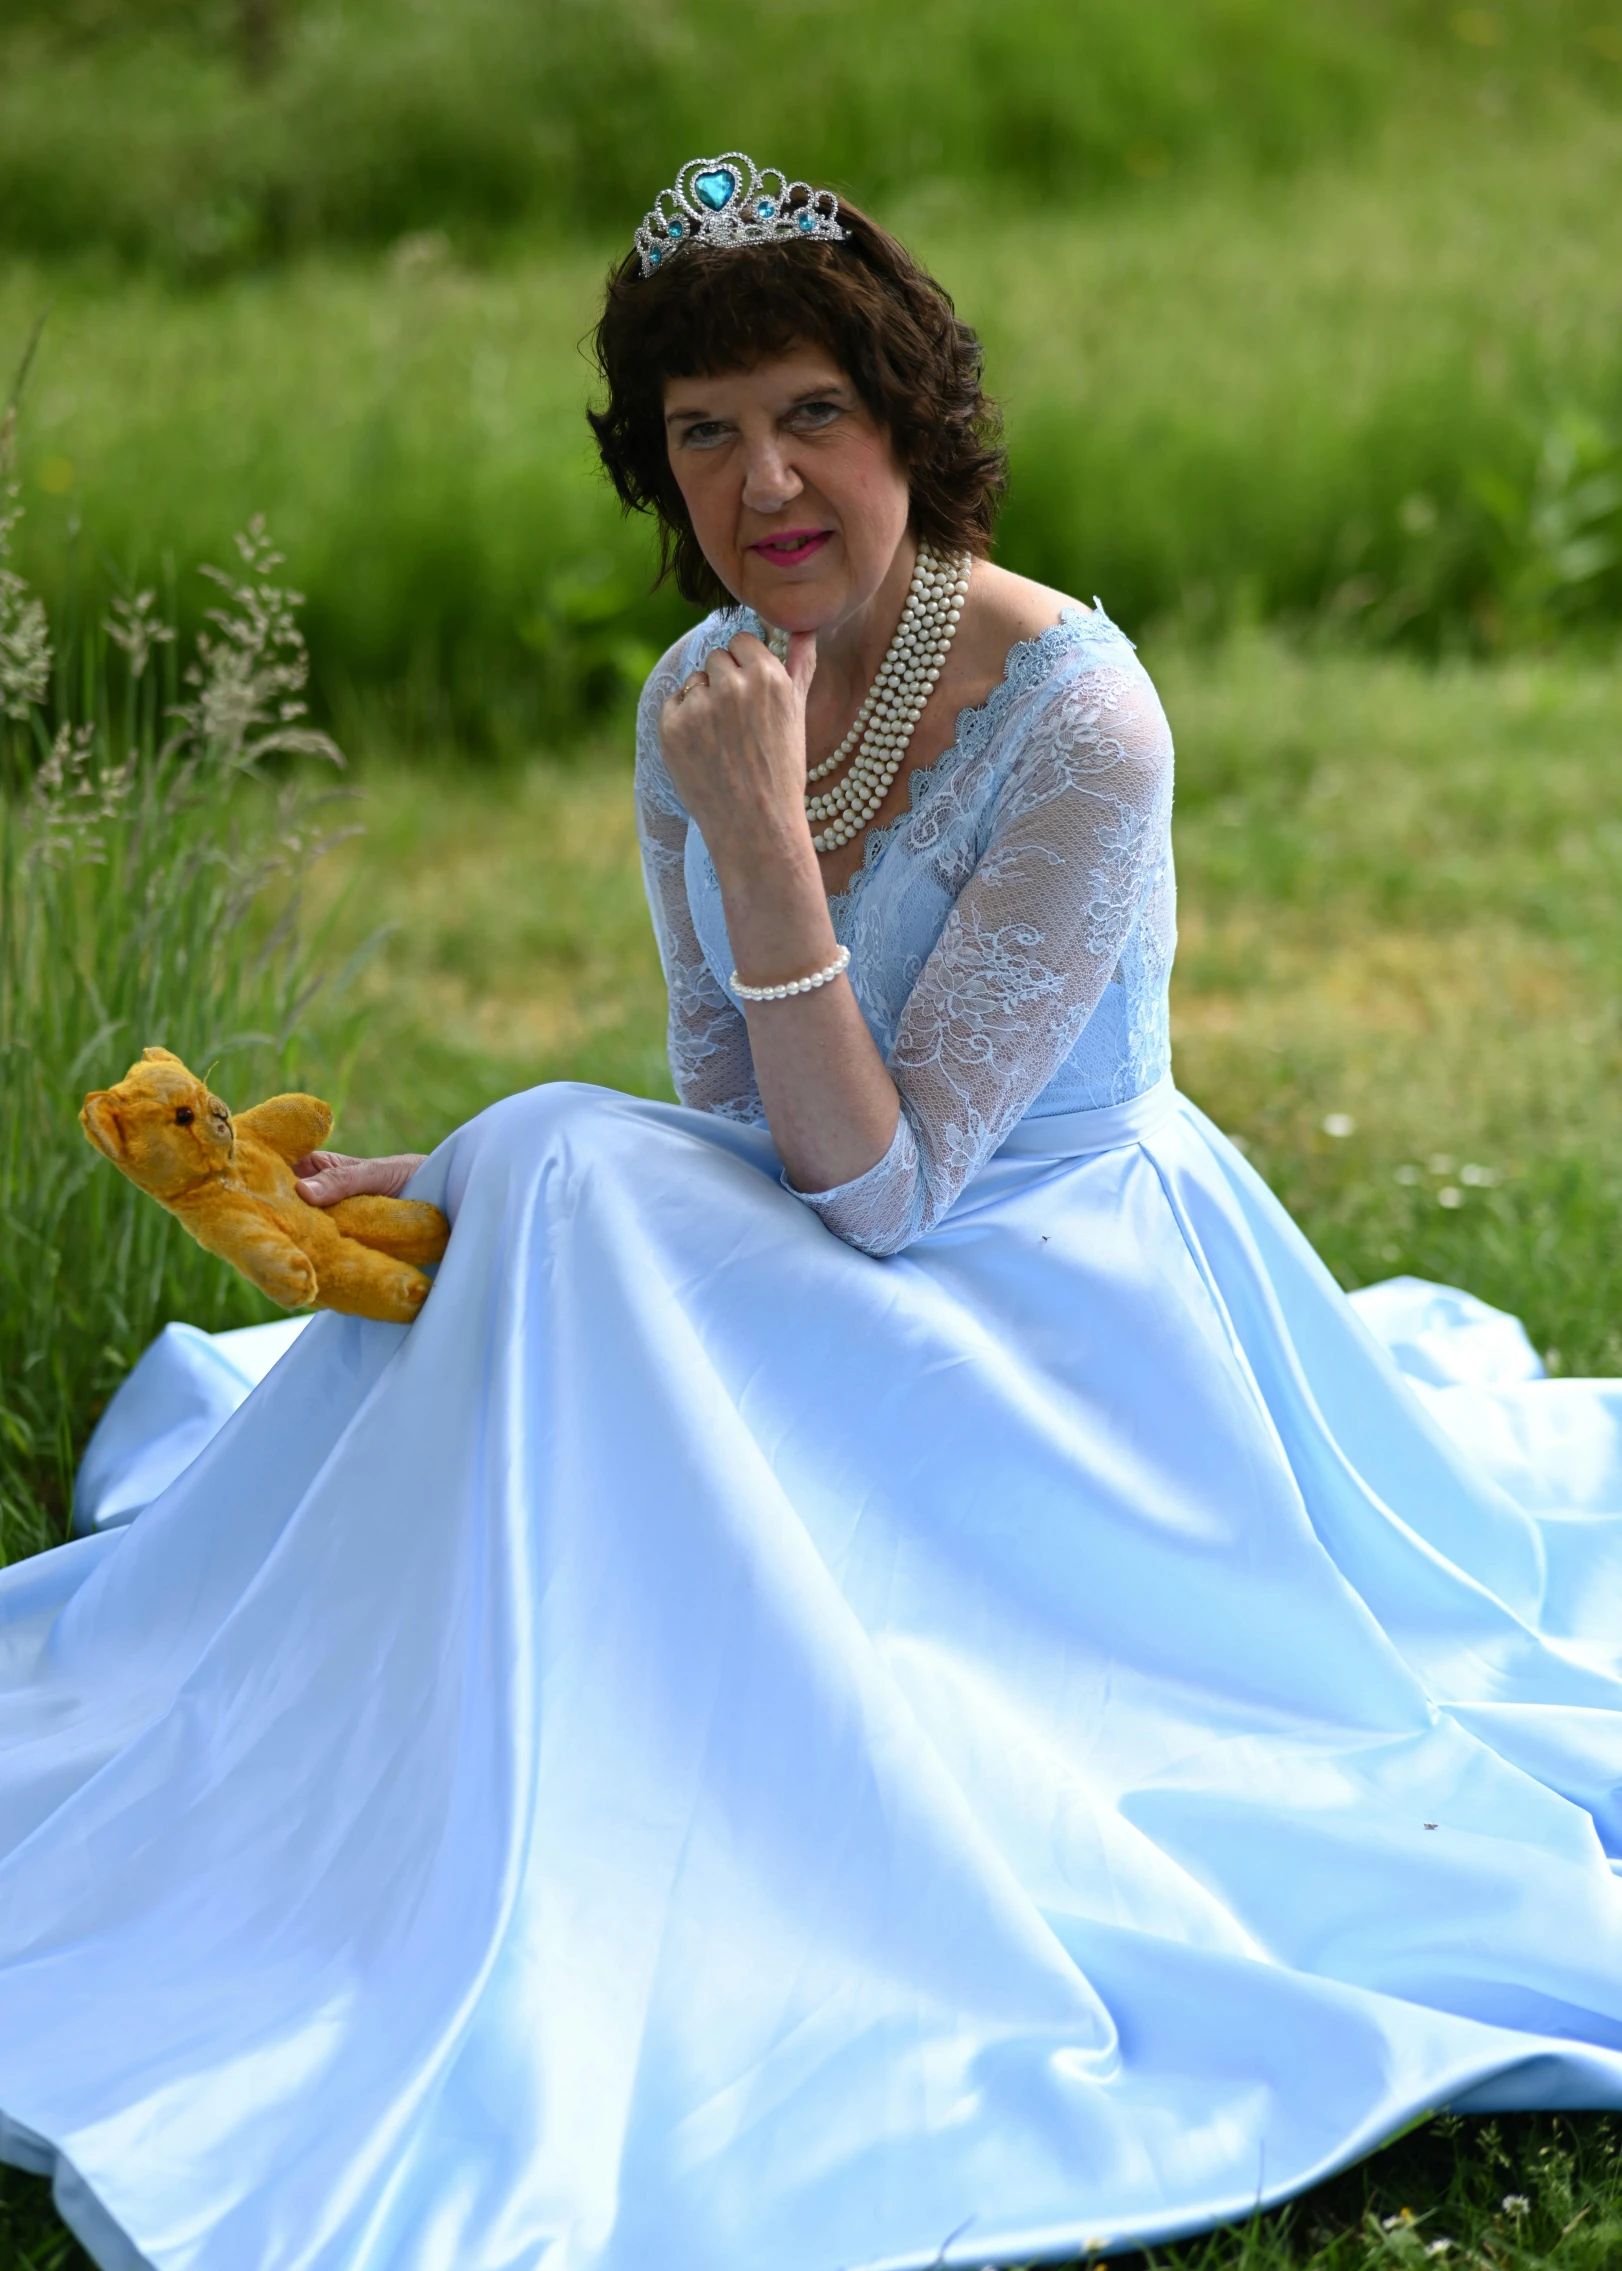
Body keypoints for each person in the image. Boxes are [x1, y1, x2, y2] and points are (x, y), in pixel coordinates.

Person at [4, 153, 1622, 2271]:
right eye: (702, 432)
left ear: (909, 424)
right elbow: (722, 1113)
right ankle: (396, 1791)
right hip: (838, 1215)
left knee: (574, 1165)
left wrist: (767, 848)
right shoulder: (702, 693)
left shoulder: (1079, 716)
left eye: (811, 416)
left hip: (1053, 1301)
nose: (762, 479)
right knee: (557, 1170)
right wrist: (453, 1189)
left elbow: (880, 1185)